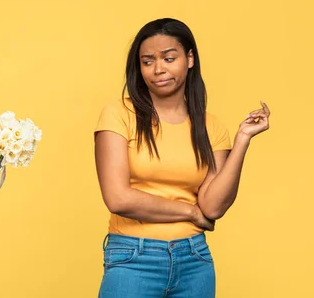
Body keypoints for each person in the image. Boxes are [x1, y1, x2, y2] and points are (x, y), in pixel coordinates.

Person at [94, 18, 270, 297]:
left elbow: (212, 208)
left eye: (168, 58)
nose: (158, 69)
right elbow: (118, 198)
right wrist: (189, 212)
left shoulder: (210, 126)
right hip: (133, 258)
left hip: (194, 259)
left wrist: (242, 140)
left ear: (189, 59)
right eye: (147, 61)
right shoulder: (119, 114)